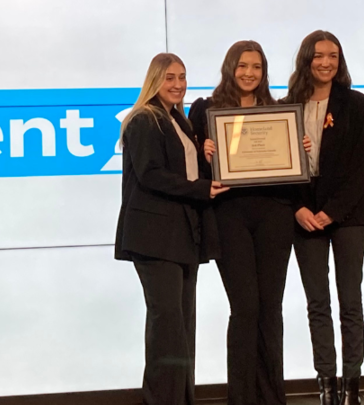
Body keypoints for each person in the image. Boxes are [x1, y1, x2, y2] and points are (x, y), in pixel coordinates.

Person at [115, 53, 229, 405]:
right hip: (154, 239)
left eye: (182, 76)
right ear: (154, 81)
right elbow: (151, 174)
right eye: (169, 78)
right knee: (167, 328)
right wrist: (199, 189)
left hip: (182, 238)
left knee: (183, 329)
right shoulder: (144, 120)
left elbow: (187, 171)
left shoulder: (178, 120)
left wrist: (209, 157)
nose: (178, 84)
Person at [188, 40, 295, 405]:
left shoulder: (278, 111)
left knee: (271, 308)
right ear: (229, 67)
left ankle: (272, 397)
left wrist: (301, 150)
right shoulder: (204, 109)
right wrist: (205, 154)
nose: (250, 73)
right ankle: (242, 398)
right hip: (228, 215)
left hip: (274, 215)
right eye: (243, 66)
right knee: (246, 307)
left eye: (257, 67)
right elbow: (193, 171)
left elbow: (292, 172)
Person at [283, 30, 364, 405]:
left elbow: (361, 166)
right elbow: (280, 167)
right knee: (317, 302)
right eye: (318, 55)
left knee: (350, 299)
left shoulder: (354, 102)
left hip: (347, 213)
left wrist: (331, 211)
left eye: (333, 55)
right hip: (303, 213)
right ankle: (326, 384)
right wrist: (299, 209)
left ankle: (352, 385)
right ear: (306, 59)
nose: (326, 62)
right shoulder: (286, 104)